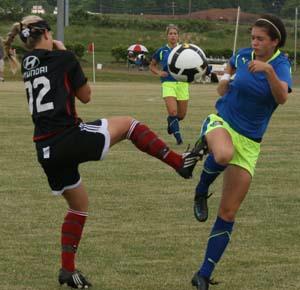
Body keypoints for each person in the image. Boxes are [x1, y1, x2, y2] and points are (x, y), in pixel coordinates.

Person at [4, 15, 204, 289]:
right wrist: (66, 52)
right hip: (68, 137)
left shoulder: (28, 64)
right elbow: (86, 96)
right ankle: (179, 162)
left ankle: (67, 270)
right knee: (130, 125)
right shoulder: (64, 58)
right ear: (48, 34)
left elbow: (43, 65)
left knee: (79, 206)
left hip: (45, 148)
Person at [191, 14, 292, 290]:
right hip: (222, 122)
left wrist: (268, 72)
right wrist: (224, 81)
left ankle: (203, 273)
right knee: (223, 154)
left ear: (275, 42)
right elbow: (226, 77)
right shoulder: (243, 55)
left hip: (250, 143)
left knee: (228, 212)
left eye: (260, 39)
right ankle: (201, 191)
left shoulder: (282, 65)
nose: (254, 43)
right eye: (253, 38)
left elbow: (282, 98)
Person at [150, 24, 189, 145]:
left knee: (181, 115)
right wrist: (158, 72)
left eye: (175, 34)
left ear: (178, 36)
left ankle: (171, 122)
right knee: (173, 112)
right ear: (167, 36)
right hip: (168, 83)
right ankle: (179, 139)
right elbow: (152, 65)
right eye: (170, 34)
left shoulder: (184, 49)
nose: (173, 36)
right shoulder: (161, 51)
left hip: (182, 84)